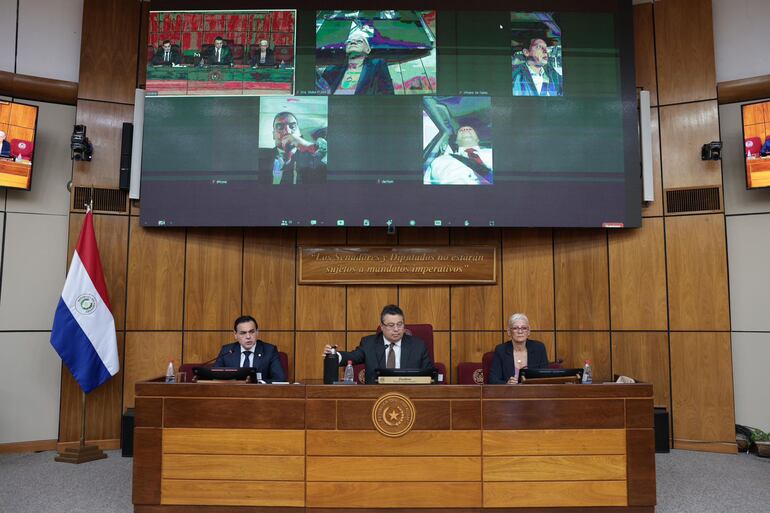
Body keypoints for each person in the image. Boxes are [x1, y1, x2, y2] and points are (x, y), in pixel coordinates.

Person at [323, 304, 433, 384]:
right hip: (375, 396)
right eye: (391, 325)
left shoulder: (418, 346)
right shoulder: (369, 344)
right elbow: (353, 356)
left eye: (400, 324)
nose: (396, 329)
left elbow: (430, 376)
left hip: (409, 396)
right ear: (382, 327)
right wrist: (333, 355)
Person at [259, 111, 327, 185]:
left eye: (292, 126)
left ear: (299, 133)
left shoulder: (313, 160)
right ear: (273, 135)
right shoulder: (259, 155)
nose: (287, 131)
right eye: (280, 127)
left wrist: (308, 146)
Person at [319, 30, 394, 95]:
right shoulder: (332, 70)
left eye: (359, 41)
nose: (353, 42)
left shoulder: (377, 64)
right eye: (349, 42)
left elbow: (388, 92)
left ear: (368, 49)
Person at [213, 315, 286, 381]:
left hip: (259, 393)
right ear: (235, 334)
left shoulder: (269, 351)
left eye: (251, 332)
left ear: (257, 332)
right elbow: (214, 376)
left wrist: (258, 383)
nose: (248, 337)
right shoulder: (227, 351)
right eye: (243, 333)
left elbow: (280, 379)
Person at [488, 313, 549, 384]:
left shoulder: (539, 348)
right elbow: (493, 380)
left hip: (534, 393)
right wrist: (507, 384)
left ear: (528, 331)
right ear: (509, 332)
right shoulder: (501, 350)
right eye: (515, 328)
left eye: (524, 328)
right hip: (510, 393)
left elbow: (545, 378)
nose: (520, 331)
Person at [424, 126, 493, 185]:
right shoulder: (440, 160)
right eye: (461, 130)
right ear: (456, 141)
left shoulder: (492, 153)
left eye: (470, 129)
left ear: (477, 139)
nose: (465, 130)